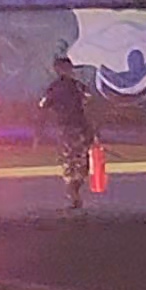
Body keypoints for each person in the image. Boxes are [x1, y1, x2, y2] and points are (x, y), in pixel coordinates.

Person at [38, 53, 96, 215]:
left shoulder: (63, 87)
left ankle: (74, 193)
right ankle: (74, 194)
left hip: (74, 128)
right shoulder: (70, 87)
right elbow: (44, 107)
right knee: (74, 162)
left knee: (75, 162)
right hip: (71, 128)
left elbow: (43, 106)